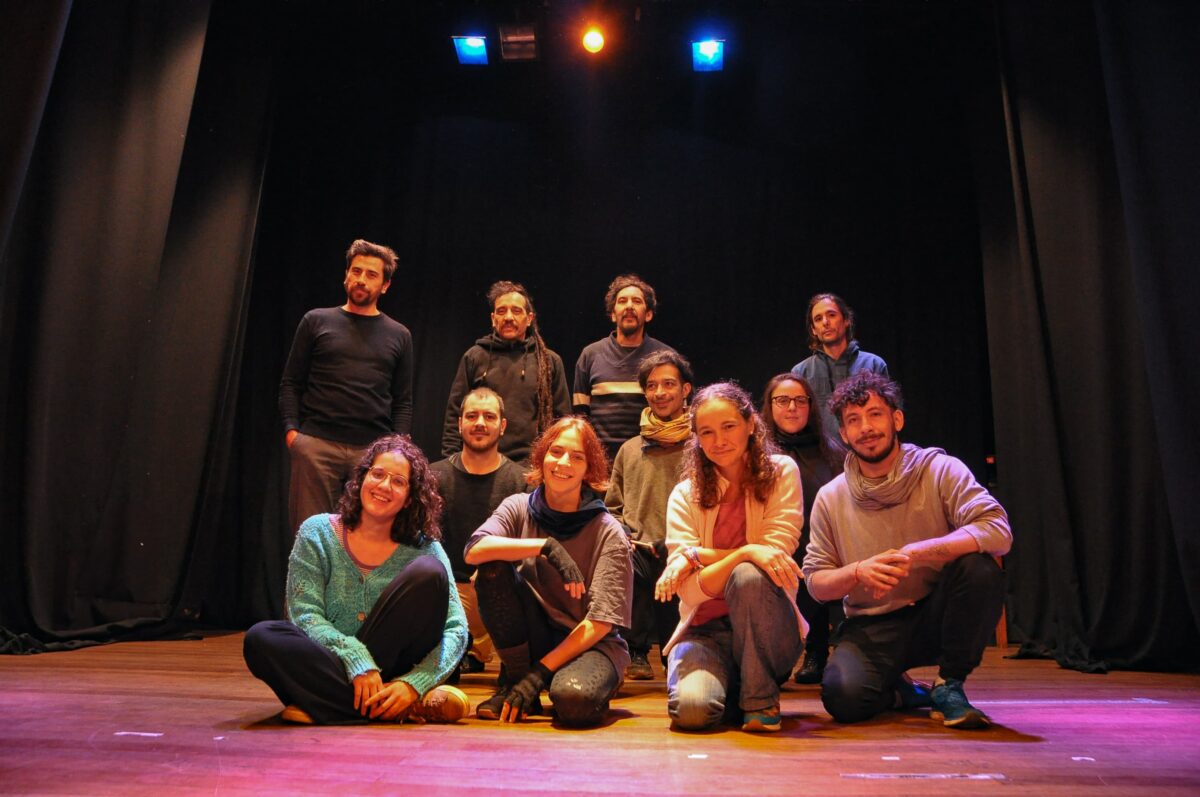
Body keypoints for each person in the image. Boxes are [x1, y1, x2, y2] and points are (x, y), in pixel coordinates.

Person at [803, 372, 1011, 729]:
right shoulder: (830, 496)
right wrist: (858, 572)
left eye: (875, 414)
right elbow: (816, 584)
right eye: (853, 420)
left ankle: (949, 684)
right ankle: (902, 692)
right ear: (844, 434)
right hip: (872, 624)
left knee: (980, 568)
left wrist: (921, 552)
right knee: (844, 700)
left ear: (896, 419)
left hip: (936, 613)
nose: (866, 428)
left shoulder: (940, 470)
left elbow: (998, 531)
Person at [243, 435, 469, 725]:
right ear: (362, 478)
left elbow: (457, 629)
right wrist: (355, 658)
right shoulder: (317, 533)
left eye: (398, 481)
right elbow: (305, 615)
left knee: (429, 572)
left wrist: (414, 683)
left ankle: (330, 705)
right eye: (378, 474)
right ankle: (389, 709)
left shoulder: (425, 548)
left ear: (409, 498)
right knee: (261, 638)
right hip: (334, 663)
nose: (384, 486)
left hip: (396, 673)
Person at [656, 382, 806, 733]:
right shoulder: (684, 494)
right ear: (696, 438)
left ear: (751, 424)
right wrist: (747, 550)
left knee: (749, 576)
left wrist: (697, 556)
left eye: (728, 426)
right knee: (692, 713)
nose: (719, 440)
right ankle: (732, 685)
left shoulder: (782, 472)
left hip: (768, 631)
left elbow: (772, 559)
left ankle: (758, 700)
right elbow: (689, 591)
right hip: (705, 632)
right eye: (707, 432)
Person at [464, 417, 633, 728]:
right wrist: (545, 546)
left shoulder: (608, 531)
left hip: (589, 644)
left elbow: (600, 623)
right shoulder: (518, 506)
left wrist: (539, 675)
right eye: (556, 452)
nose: (563, 462)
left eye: (577, 457)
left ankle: (534, 683)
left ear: (588, 470)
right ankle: (515, 683)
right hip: (536, 634)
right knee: (492, 567)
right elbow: (474, 550)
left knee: (574, 701)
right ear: (542, 457)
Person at [279, 239, 415, 534]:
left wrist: (398, 450)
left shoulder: (399, 335)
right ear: (346, 275)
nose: (361, 279)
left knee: (363, 537)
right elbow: (291, 382)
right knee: (310, 537)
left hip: (371, 453)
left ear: (385, 285)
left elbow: (402, 400)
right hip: (315, 446)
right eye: (356, 271)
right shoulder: (316, 321)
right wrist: (294, 435)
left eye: (371, 274)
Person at [605, 350, 693, 680]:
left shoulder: (701, 446)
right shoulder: (630, 449)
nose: (660, 392)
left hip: (685, 549)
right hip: (638, 548)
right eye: (652, 386)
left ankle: (678, 655)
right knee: (620, 559)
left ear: (685, 390)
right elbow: (612, 507)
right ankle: (635, 652)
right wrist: (624, 534)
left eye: (668, 384)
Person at [430, 388, 529, 676]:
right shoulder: (433, 477)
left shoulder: (522, 481)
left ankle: (510, 664)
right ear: (459, 423)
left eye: (489, 416)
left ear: (503, 425)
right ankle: (460, 651)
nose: (480, 423)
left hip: (502, 592)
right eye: (472, 416)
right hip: (450, 595)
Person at [761, 373, 846, 685]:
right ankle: (777, 656)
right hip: (774, 544)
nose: (792, 408)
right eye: (782, 400)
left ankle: (816, 652)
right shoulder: (757, 452)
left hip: (820, 544)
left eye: (800, 400)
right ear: (770, 406)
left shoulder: (833, 451)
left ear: (811, 406)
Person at [442, 281, 571, 463]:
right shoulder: (474, 357)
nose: (508, 317)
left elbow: (562, 421)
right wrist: (451, 462)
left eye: (516, 311)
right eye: (501, 311)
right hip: (480, 462)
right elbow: (455, 415)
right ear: (493, 318)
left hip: (530, 466)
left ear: (529, 318)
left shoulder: (549, 362)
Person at [574, 274, 676, 460]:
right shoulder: (590, 355)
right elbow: (580, 417)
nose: (629, 306)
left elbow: (679, 414)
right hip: (601, 462)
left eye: (636, 301)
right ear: (613, 314)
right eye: (622, 301)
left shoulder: (666, 358)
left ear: (648, 314)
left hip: (651, 459)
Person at [791, 292, 888, 433]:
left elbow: (887, 414)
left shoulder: (874, 364)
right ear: (813, 330)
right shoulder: (800, 372)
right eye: (818, 319)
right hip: (819, 447)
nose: (825, 322)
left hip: (866, 443)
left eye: (831, 315)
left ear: (846, 320)